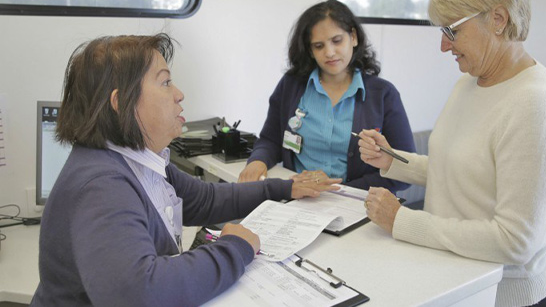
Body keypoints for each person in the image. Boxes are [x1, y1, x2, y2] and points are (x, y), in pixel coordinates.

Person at [31, 34, 341, 307]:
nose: (179, 93)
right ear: (120, 102)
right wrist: (236, 248)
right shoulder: (102, 184)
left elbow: (204, 200)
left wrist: (283, 188)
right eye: (165, 82)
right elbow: (138, 293)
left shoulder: (137, 160)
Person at [357, 0, 546, 306]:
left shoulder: (534, 104)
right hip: (454, 280)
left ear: (498, 19)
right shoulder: (469, 83)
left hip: (503, 295)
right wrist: (391, 160)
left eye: (452, 31)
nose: (444, 46)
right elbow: (460, 170)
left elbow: (515, 241)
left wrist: (402, 220)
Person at [238, 0, 415, 194]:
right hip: (298, 200)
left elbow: (404, 173)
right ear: (310, 51)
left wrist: (336, 190)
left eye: (337, 41)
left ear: (353, 37)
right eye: (319, 46)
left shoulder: (384, 95)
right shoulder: (292, 85)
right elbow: (270, 139)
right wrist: (257, 160)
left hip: (358, 206)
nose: (329, 52)